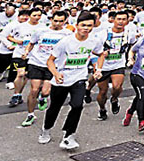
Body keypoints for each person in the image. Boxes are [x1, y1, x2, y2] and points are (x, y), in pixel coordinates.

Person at [40, 11, 102, 150]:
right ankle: (46, 129)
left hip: (79, 78)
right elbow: (50, 61)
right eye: (83, 25)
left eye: (89, 26)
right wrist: (55, 73)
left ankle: (69, 135)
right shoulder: (65, 42)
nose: (86, 28)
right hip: (61, 80)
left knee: (77, 105)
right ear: (76, 25)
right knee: (54, 108)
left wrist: (98, 68)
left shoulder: (94, 41)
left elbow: (100, 54)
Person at [20, 11, 71, 127]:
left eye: (61, 21)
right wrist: (27, 52)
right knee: (34, 90)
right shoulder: (41, 31)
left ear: (65, 21)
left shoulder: (68, 34)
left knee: (46, 91)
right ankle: (30, 114)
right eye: (55, 21)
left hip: (53, 65)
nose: (58, 23)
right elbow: (31, 43)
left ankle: (43, 98)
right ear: (51, 20)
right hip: (36, 62)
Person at [93, 9, 135, 121]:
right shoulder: (103, 34)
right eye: (119, 19)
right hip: (103, 66)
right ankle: (102, 109)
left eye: (123, 19)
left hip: (118, 64)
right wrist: (101, 53)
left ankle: (114, 99)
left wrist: (130, 57)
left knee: (117, 87)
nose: (121, 22)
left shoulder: (129, 34)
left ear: (127, 21)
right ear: (114, 20)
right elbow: (93, 49)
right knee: (103, 91)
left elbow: (133, 46)